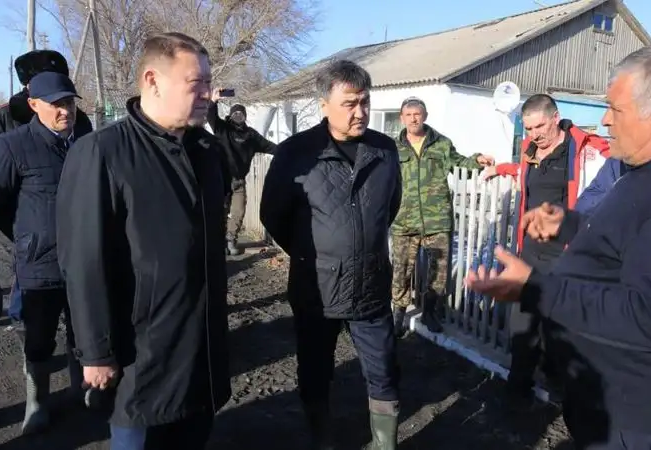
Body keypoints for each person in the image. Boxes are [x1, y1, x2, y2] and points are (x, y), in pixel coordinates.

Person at [466, 42, 651, 449]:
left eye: (614, 110)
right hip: (611, 401)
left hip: (640, 420)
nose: (604, 121)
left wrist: (537, 288)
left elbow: (650, 319)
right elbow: (636, 238)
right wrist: (569, 225)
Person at [56, 32, 231, 450]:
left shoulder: (206, 150)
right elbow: (83, 261)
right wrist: (95, 352)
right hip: (140, 355)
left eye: (209, 82)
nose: (209, 93)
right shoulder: (102, 152)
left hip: (199, 351)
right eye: (197, 84)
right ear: (152, 80)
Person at [260, 59, 403, 450]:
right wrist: (315, 253)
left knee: (384, 367)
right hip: (316, 286)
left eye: (365, 103)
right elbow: (273, 215)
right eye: (349, 103)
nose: (360, 112)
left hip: (371, 282)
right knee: (316, 367)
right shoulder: (296, 154)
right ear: (323, 103)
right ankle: (322, 438)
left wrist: (359, 246)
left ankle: (383, 441)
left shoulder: (385, 151)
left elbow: (389, 207)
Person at [482, 94, 612, 408]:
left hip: (566, 252)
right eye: (528, 129)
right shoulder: (530, 153)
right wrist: (499, 168)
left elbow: (616, 174)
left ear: (556, 118)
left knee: (559, 324)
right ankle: (518, 387)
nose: (534, 134)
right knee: (522, 320)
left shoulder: (586, 151)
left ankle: (558, 387)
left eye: (539, 126)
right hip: (530, 250)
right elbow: (523, 172)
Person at [0, 71, 90, 434]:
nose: (66, 110)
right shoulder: (11, 146)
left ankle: (84, 391)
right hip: (39, 260)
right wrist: (24, 236)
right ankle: (36, 401)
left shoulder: (86, 142)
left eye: (70, 102)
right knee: (39, 335)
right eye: (56, 104)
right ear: (33, 105)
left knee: (85, 327)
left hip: (84, 258)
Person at [0, 49, 93, 330]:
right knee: (34, 323)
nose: (63, 109)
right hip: (32, 237)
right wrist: (26, 230)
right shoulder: (2, 120)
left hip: (78, 242)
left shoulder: (78, 120)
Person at [391, 96, 493, 337]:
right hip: (404, 219)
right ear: (401, 118)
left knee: (438, 273)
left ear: (425, 116)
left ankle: (430, 312)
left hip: (437, 220)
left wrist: (477, 160)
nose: (413, 118)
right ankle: (398, 315)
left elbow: (461, 164)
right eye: (409, 115)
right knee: (401, 271)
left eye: (418, 114)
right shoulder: (393, 148)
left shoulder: (441, 144)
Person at [207, 90, 276, 255]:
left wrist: (290, 150)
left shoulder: (250, 135)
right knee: (220, 212)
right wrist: (213, 101)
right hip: (222, 180)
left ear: (244, 116)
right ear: (230, 116)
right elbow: (211, 117)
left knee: (238, 211)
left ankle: (231, 240)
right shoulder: (222, 129)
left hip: (239, 181)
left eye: (241, 113)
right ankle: (219, 242)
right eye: (235, 113)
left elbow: (270, 146)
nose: (238, 115)